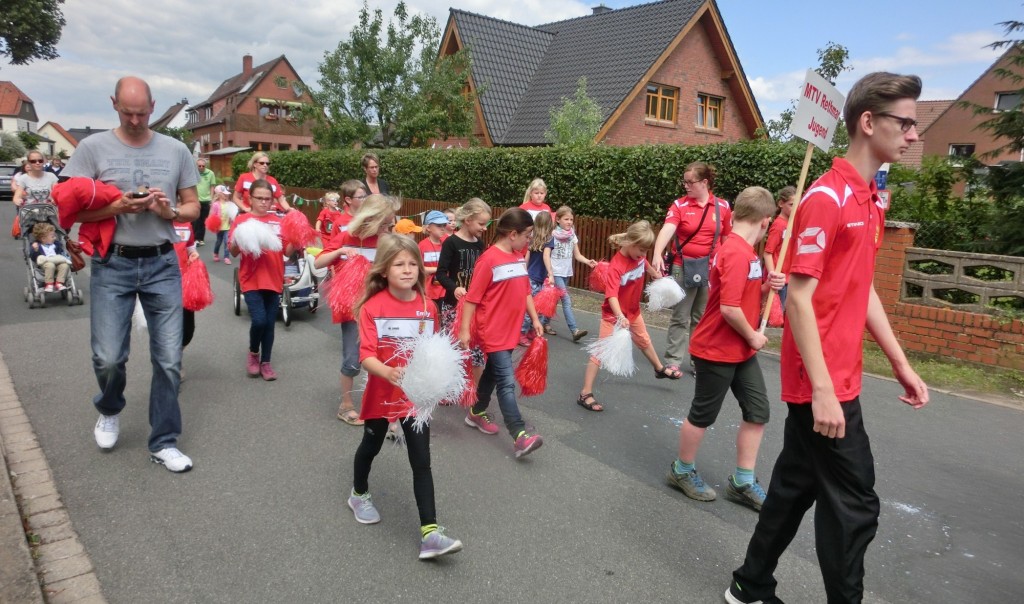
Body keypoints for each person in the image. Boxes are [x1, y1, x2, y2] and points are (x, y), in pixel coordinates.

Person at [726, 72, 930, 604]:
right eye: (905, 122)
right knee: (855, 501)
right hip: (821, 383)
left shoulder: (870, 199)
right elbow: (797, 299)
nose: (913, 134)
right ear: (869, 122)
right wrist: (821, 389)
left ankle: (749, 585)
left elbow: (861, 292)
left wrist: (901, 364)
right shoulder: (827, 198)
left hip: (839, 375)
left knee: (796, 486)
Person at [61, 76, 200, 473]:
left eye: (142, 112)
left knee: (169, 359)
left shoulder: (176, 150)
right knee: (108, 357)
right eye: (127, 112)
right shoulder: (90, 149)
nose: (136, 120)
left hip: (161, 263)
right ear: (114, 105)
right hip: (112, 263)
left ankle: (164, 440)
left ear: (153, 107)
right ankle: (109, 407)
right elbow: (70, 211)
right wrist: (117, 206)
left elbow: (193, 207)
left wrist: (167, 211)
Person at [346, 234, 464, 560]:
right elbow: (366, 355)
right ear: (384, 269)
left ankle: (430, 533)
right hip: (382, 392)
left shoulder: (428, 308)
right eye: (399, 264)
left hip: (416, 398)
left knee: (421, 460)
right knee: (370, 446)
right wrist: (388, 373)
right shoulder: (372, 307)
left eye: (413, 263)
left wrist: (443, 374)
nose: (408, 269)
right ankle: (359, 493)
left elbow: (435, 352)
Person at [667, 187, 784, 511]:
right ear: (766, 221)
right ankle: (681, 470)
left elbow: (742, 294)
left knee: (758, 411)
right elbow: (730, 309)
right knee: (703, 414)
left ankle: (742, 481)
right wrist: (753, 337)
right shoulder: (735, 251)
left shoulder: (747, 252)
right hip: (717, 349)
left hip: (740, 351)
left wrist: (766, 286)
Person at [459, 208, 545, 459]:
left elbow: (526, 291)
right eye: (527, 235)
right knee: (506, 382)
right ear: (512, 233)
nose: (530, 240)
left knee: (492, 375)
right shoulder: (489, 260)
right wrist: (465, 330)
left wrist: (536, 319)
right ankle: (519, 435)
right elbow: (472, 299)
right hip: (493, 331)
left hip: (512, 329)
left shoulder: (519, 256)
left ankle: (475, 412)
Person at [315, 194, 400, 425]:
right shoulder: (346, 236)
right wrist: (340, 252)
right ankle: (346, 405)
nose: (387, 228)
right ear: (370, 219)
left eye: (389, 224)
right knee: (353, 361)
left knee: (386, 360)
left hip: (381, 311)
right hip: (352, 310)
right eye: (384, 223)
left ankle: (387, 410)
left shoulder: (387, 241)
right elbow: (318, 262)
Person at [577, 221, 673, 412]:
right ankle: (585, 393)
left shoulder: (638, 257)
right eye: (641, 250)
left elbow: (643, 263)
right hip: (614, 316)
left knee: (643, 339)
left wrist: (654, 273)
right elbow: (611, 295)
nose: (643, 254)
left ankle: (659, 368)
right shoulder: (617, 266)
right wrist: (620, 316)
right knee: (600, 353)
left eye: (647, 250)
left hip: (633, 312)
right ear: (630, 242)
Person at [651, 162, 732, 379]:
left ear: (705, 182)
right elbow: (668, 229)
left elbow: (726, 239)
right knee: (680, 315)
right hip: (681, 265)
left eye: (690, 182)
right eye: (684, 181)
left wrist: (725, 266)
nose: (686, 186)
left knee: (702, 317)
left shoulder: (722, 207)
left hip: (709, 268)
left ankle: (698, 360)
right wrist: (657, 252)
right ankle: (674, 360)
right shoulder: (679, 205)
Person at [230, 179, 293, 381]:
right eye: (260, 198)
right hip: (251, 279)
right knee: (259, 320)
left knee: (269, 324)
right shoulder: (242, 220)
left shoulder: (279, 220)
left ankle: (266, 362)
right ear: (250, 198)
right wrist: (240, 237)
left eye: (268, 199)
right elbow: (232, 252)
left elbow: (286, 251)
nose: (264, 203)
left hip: (274, 278)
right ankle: (253, 353)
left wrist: (298, 239)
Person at [435, 198, 491, 395]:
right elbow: (440, 273)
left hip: (475, 307)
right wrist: (454, 288)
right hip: (453, 306)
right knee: (454, 349)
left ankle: (476, 394)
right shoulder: (451, 243)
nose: (484, 228)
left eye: (486, 224)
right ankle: (447, 389)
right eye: (481, 224)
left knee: (477, 352)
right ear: (468, 220)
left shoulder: (480, 244)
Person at [544, 205, 597, 342]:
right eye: (566, 219)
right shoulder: (552, 236)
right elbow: (546, 255)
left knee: (554, 300)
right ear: (558, 220)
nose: (569, 222)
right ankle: (574, 330)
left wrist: (587, 261)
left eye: (571, 219)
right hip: (555, 272)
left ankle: (543, 322)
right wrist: (550, 272)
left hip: (566, 273)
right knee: (566, 300)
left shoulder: (572, 236)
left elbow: (577, 255)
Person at [519, 211, 555, 346]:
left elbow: (526, 257)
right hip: (538, 279)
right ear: (549, 224)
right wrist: (550, 274)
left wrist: (523, 271)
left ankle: (529, 331)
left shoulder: (532, 238)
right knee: (534, 309)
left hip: (530, 277)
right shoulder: (549, 239)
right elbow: (546, 256)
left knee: (533, 307)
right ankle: (522, 333)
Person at [762, 186, 795, 311]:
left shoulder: (792, 224)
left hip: (788, 277)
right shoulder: (779, 225)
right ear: (781, 203)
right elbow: (767, 253)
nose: (795, 208)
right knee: (775, 315)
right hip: (779, 279)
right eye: (791, 204)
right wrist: (774, 277)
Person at [171, 219, 200, 356]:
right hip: (160, 281)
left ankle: (177, 353)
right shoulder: (155, 220)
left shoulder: (186, 223)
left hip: (184, 281)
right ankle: (171, 360)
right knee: (166, 327)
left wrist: (193, 254)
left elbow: (190, 247)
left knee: (188, 330)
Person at [418, 210, 449, 313]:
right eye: (438, 225)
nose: (442, 228)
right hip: (428, 290)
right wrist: (438, 269)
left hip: (445, 290)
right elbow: (419, 268)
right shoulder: (422, 246)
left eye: (444, 225)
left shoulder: (447, 244)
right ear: (428, 228)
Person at [29, 222, 71, 292]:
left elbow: (60, 252)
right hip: (45, 263)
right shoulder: (38, 246)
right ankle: (49, 283)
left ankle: (59, 282)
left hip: (57, 261)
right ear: (43, 239)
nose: (54, 238)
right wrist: (35, 250)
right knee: (50, 265)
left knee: (64, 265)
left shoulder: (56, 244)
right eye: (52, 236)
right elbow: (34, 258)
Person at [192, 157, 218, 246]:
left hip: (206, 200)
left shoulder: (210, 173)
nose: (201, 167)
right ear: (196, 166)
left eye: (203, 166)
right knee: (195, 220)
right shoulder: (192, 173)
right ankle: (194, 238)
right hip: (196, 200)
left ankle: (200, 239)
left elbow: (212, 186)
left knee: (202, 220)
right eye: (199, 166)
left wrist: (211, 198)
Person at [211, 185, 236, 265]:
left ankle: (226, 257)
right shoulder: (215, 205)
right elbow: (213, 216)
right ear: (219, 194)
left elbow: (232, 214)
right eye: (224, 194)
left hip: (227, 227)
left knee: (226, 242)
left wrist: (233, 222)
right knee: (218, 241)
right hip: (219, 227)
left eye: (227, 194)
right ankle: (216, 253)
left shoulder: (229, 204)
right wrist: (214, 225)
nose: (226, 195)